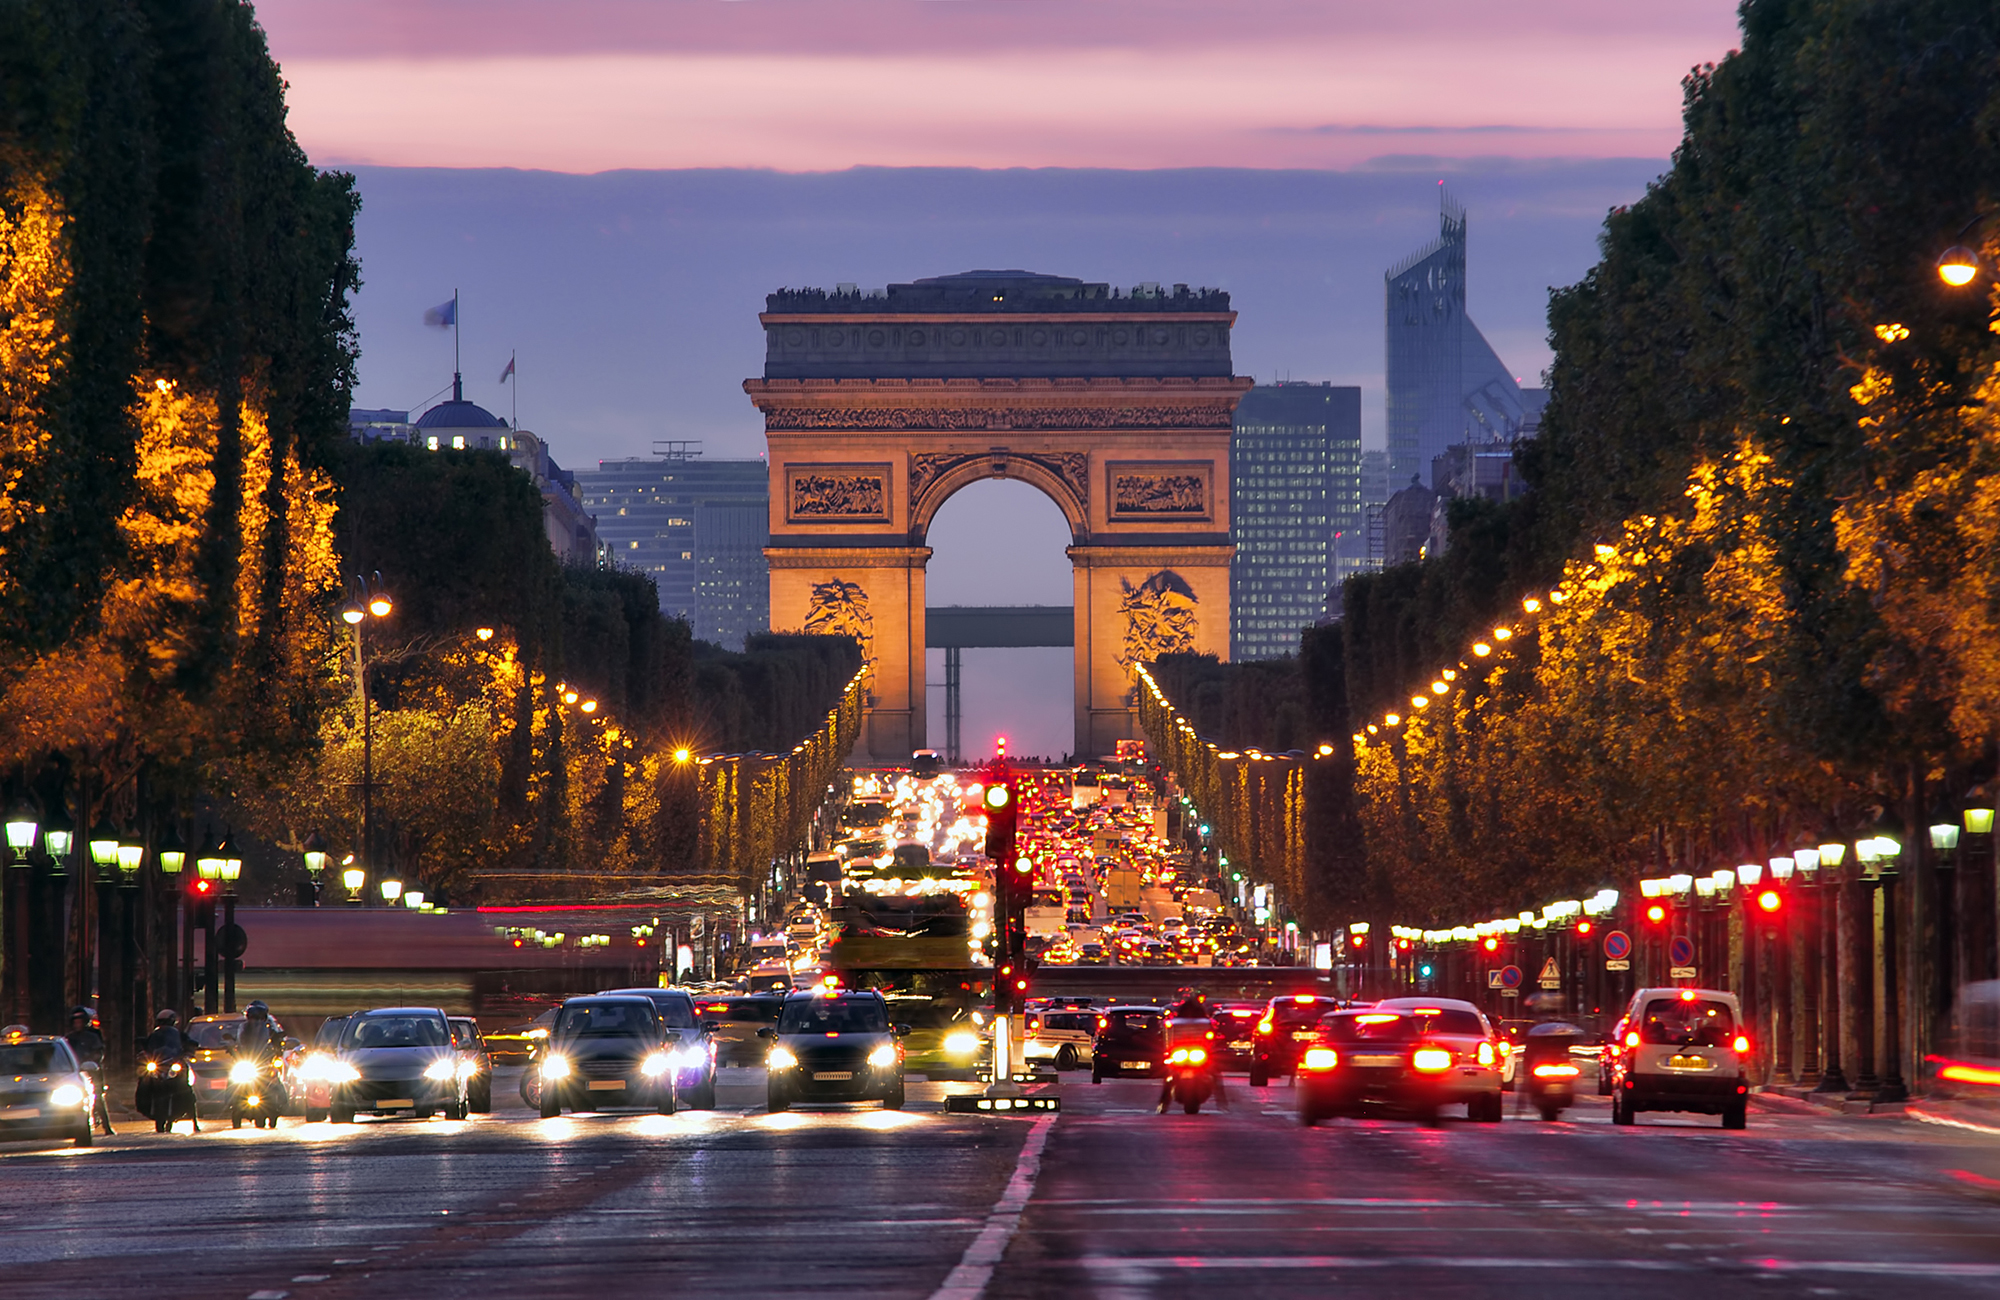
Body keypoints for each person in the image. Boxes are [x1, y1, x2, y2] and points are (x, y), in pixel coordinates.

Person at [1157, 992, 1227, 1113]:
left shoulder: (1205, 1023)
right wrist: (1168, 1051)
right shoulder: (1176, 1024)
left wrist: (1213, 1047)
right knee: (1169, 1076)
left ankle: (1222, 1103)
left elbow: (1212, 1038)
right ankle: (1163, 1104)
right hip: (1180, 1053)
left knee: (1214, 1074)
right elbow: (1166, 1038)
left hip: (1199, 1053)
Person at [65, 1006, 113, 1135]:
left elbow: (99, 1052)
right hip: (75, 1073)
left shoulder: (93, 1037)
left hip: (92, 1071)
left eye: (80, 1021)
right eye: (75, 1022)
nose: (77, 1024)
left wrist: (91, 1061)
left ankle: (106, 1126)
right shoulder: (69, 1038)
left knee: (98, 1097)